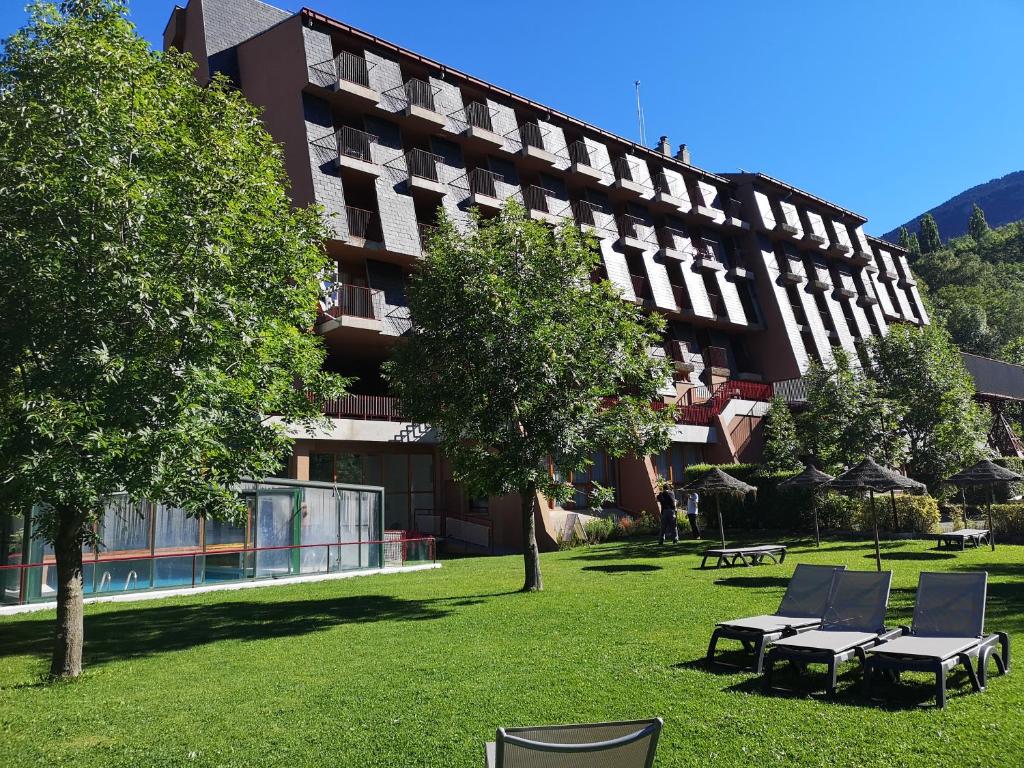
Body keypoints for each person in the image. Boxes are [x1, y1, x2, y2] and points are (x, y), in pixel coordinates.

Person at [655, 480, 679, 544]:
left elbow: (656, 499)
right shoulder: (672, 493)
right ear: (668, 488)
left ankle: (661, 540)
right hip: (672, 511)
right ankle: (675, 539)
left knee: (663, 527)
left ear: (663, 488)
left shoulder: (662, 494)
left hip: (665, 511)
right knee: (673, 526)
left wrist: (658, 493)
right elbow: (673, 501)